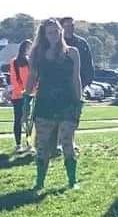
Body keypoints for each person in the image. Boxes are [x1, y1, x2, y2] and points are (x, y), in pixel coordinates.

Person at [25, 19, 83, 191]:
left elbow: (76, 79)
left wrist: (79, 102)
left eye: (56, 31)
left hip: (67, 103)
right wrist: (26, 100)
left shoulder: (72, 53)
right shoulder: (37, 54)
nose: (54, 36)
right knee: (42, 145)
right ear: (44, 34)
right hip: (45, 104)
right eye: (50, 32)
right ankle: (40, 181)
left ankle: (72, 181)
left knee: (67, 142)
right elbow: (32, 78)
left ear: (61, 32)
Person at [58, 17, 93, 97]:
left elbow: (88, 64)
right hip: (60, 85)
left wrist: (86, 82)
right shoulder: (57, 43)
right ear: (61, 27)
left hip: (79, 84)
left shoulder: (82, 43)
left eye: (72, 25)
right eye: (67, 26)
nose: (70, 28)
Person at [7, 40, 32, 152]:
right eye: (27, 47)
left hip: (29, 94)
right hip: (18, 96)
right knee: (18, 119)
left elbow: (32, 77)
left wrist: (31, 90)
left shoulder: (29, 61)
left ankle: (29, 142)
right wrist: (21, 91)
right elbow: (14, 79)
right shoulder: (15, 61)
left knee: (28, 120)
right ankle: (18, 144)